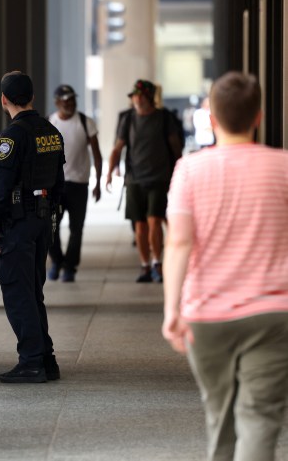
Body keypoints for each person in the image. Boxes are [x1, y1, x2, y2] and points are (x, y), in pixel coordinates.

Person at [162, 71, 288, 461]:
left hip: (208, 315)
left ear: (212, 119)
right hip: (274, 313)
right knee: (260, 419)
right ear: (259, 118)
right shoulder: (283, 166)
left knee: (220, 416)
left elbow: (179, 241)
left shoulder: (190, 170)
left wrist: (172, 310)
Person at [0, 71, 65, 383]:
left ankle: (31, 361)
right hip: (42, 219)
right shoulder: (51, 132)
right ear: (31, 96)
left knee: (18, 292)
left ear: (4, 99)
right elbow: (59, 183)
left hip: (17, 222)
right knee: (33, 291)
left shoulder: (11, 137)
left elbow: (0, 188)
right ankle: (46, 358)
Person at [105, 79, 182, 283]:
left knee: (155, 220)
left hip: (159, 177)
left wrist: (179, 172)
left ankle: (157, 263)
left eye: (140, 96)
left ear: (149, 98)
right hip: (135, 179)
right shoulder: (128, 119)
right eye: (134, 96)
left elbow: (175, 148)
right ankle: (145, 265)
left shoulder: (164, 118)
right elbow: (117, 148)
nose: (136, 99)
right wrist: (110, 172)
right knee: (139, 226)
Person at [47, 84, 102, 282]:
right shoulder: (50, 123)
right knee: (51, 227)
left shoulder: (85, 122)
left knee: (76, 229)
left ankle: (70, 267)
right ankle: (57, 261)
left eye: (72, 99)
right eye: (65, 100)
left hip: (79, 184)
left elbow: (97, 154)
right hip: (56, 186)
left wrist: (98, 182)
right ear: (57, 102)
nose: (70, 103)